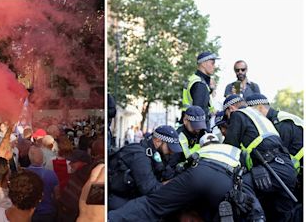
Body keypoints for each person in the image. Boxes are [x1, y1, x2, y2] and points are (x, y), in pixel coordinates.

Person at [108, 133, 252, 222]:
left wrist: (170, 185)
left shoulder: (202, 151)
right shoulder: (140, 154)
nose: (171, 152)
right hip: (227, 180)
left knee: (152, 205)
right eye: (169, 148)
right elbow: (149, 186)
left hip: (198, 175)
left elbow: (182, 172)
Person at [223, 94, 297, 221]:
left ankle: (257, 218)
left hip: (272, 168)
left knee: (242, 185)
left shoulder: (238, 114)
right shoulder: (261, 117)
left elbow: (230, 148)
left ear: (231, 108)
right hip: (287, 168)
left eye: (226, 116)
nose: (228, 121)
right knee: (282, 216)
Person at [245, 93, 304, 207]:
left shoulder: (281, 124)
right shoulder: (278, 120)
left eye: (252, 113)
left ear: (260, 107)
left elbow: (277, 158)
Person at [108, 125, 183, 210]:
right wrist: (176, 182)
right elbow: (150, 189)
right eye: (169, 148)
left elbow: (163, 173)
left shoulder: (154, 152)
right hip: (118, 198)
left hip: (132, 196)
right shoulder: (140, 156)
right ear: (158, 141)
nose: (172, 152)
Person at [182, 51, 219, 130]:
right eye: (212, 63)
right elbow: (200, 113)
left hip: (190, 125)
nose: (214, 66)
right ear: (204, 63)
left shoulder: (194, 79)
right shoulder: (200, 84)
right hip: (197, 128)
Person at [58, 149, 93, 222]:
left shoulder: (88, 178)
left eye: (73, 162)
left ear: (84, 163)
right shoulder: (75, 174)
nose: (70, 164)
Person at [27, 146, 59, 222]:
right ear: (42, 158)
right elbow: (57, 195)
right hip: (47, 212)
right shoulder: (51, 174)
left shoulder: (24, 174)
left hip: (29, 212)